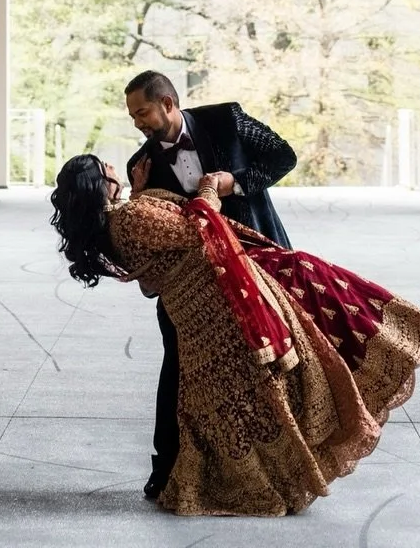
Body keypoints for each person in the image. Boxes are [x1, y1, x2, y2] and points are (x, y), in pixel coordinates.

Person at [49, 154, 420, 517]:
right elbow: (193, 227)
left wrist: (138, 190)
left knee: (237, 400)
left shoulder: (115, 225)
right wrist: (208, 188)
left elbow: (156, 237)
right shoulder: (130, 219)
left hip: (198, 311)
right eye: (105, 165)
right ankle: (267, 482)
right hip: (216, 305)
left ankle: (267, 478)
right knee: (271, 378)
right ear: (97, 182)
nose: (114, 166)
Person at [123, 71, 295, 496]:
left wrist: (232, 183)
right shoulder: (138, 165)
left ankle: (282, 464)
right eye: (131, 116)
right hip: (189, 284)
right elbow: (150, 228)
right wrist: (137, 197)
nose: (137, 123)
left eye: (142, 112)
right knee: (176, 364)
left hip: (256, 262)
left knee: (271, 360)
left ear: (167, 103)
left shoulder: (227, 120)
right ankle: (165, 466)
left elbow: (283, 157)